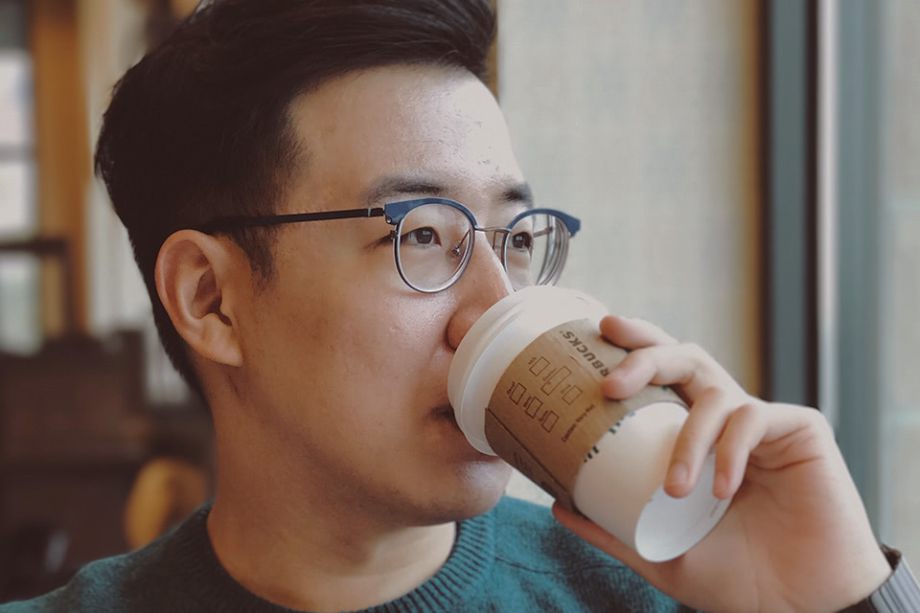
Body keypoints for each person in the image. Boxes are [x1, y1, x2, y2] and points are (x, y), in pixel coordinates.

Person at [3, 1, 917, 611]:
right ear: (211, 300)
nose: (494, 304)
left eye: (514, 237)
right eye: (423, 236)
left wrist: (838, 598)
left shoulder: (666, 588)